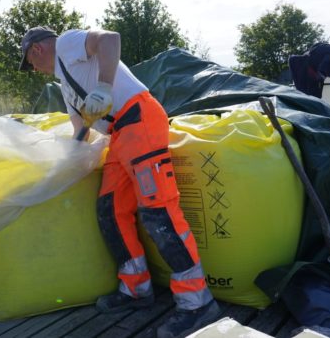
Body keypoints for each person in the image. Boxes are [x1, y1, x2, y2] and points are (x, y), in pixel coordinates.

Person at [19, 27, 220, 338]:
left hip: (139, 119)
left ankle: (197, 303)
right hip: (119, 135)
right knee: (109, 210)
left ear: (36, 50)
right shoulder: (66, 85)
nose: (32, 68)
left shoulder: (67, 43)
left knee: (159, 213)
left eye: (29, 62)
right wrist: (65, 162)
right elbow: (81, 131)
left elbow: (110, 38)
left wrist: (103, 87)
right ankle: (136, 288)